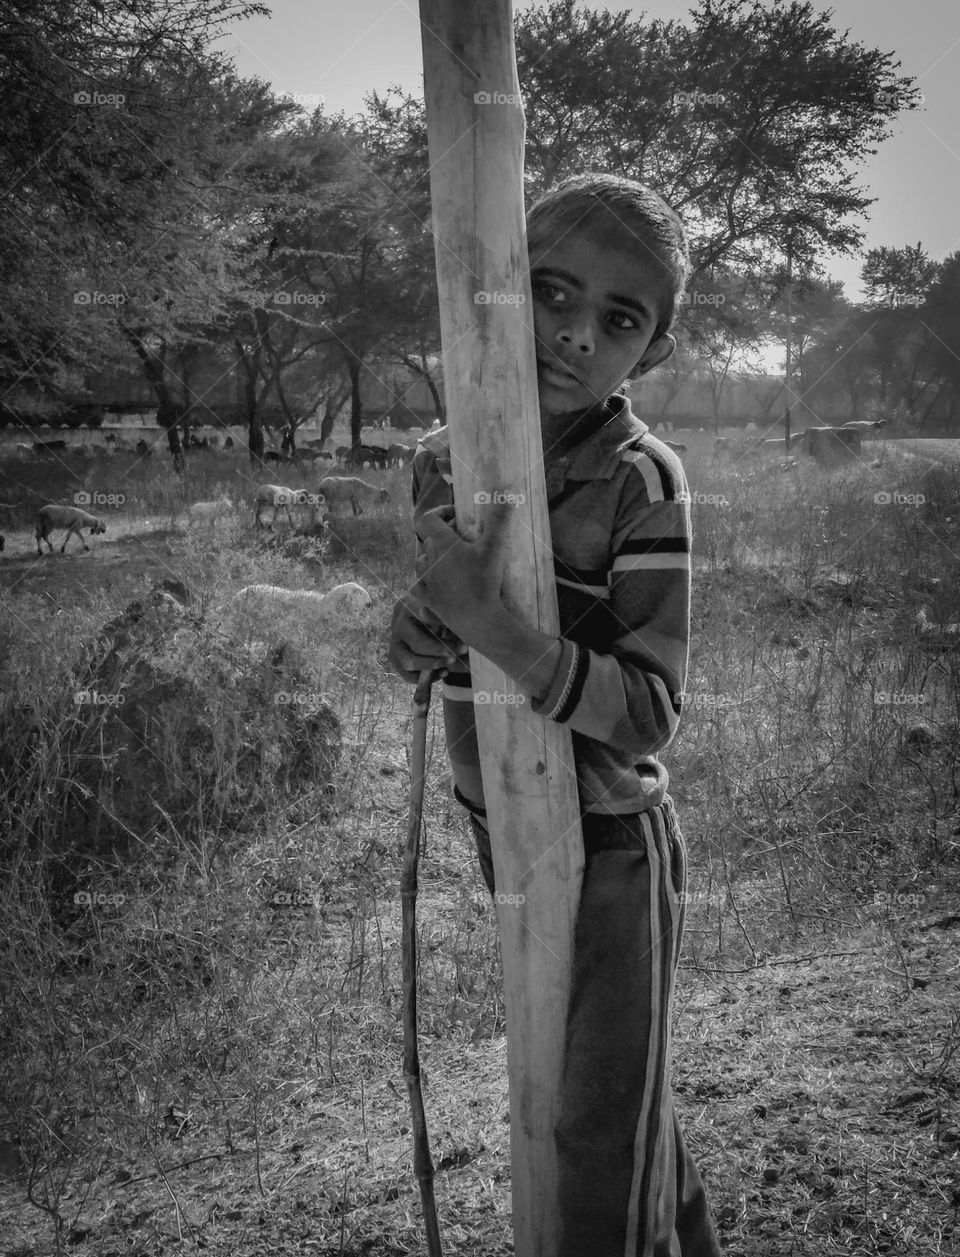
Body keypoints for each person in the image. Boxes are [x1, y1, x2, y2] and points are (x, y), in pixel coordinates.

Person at [388, 172, 723, 1257]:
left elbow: (650, 710)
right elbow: (436, 627)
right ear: (499, 285)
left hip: (615, 845)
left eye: (618, 320)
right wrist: (422, 634)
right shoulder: (443, 461)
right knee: (613, 1108)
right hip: (500, 829)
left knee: (594, 1134)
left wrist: (500, 628)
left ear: (652, 351)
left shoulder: (643, 481)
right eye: (551, 293)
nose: (577, 333)